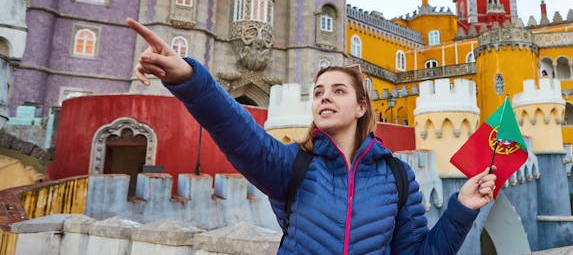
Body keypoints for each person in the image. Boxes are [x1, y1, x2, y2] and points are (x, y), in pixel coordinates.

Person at [127, 18, 498, 254]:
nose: (324, 97)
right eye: (319, 91)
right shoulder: (292, 165)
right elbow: (235, 129)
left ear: (361, 107)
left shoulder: (398, 179)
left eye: (338, 91)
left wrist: (461, 208)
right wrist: (189, 78)